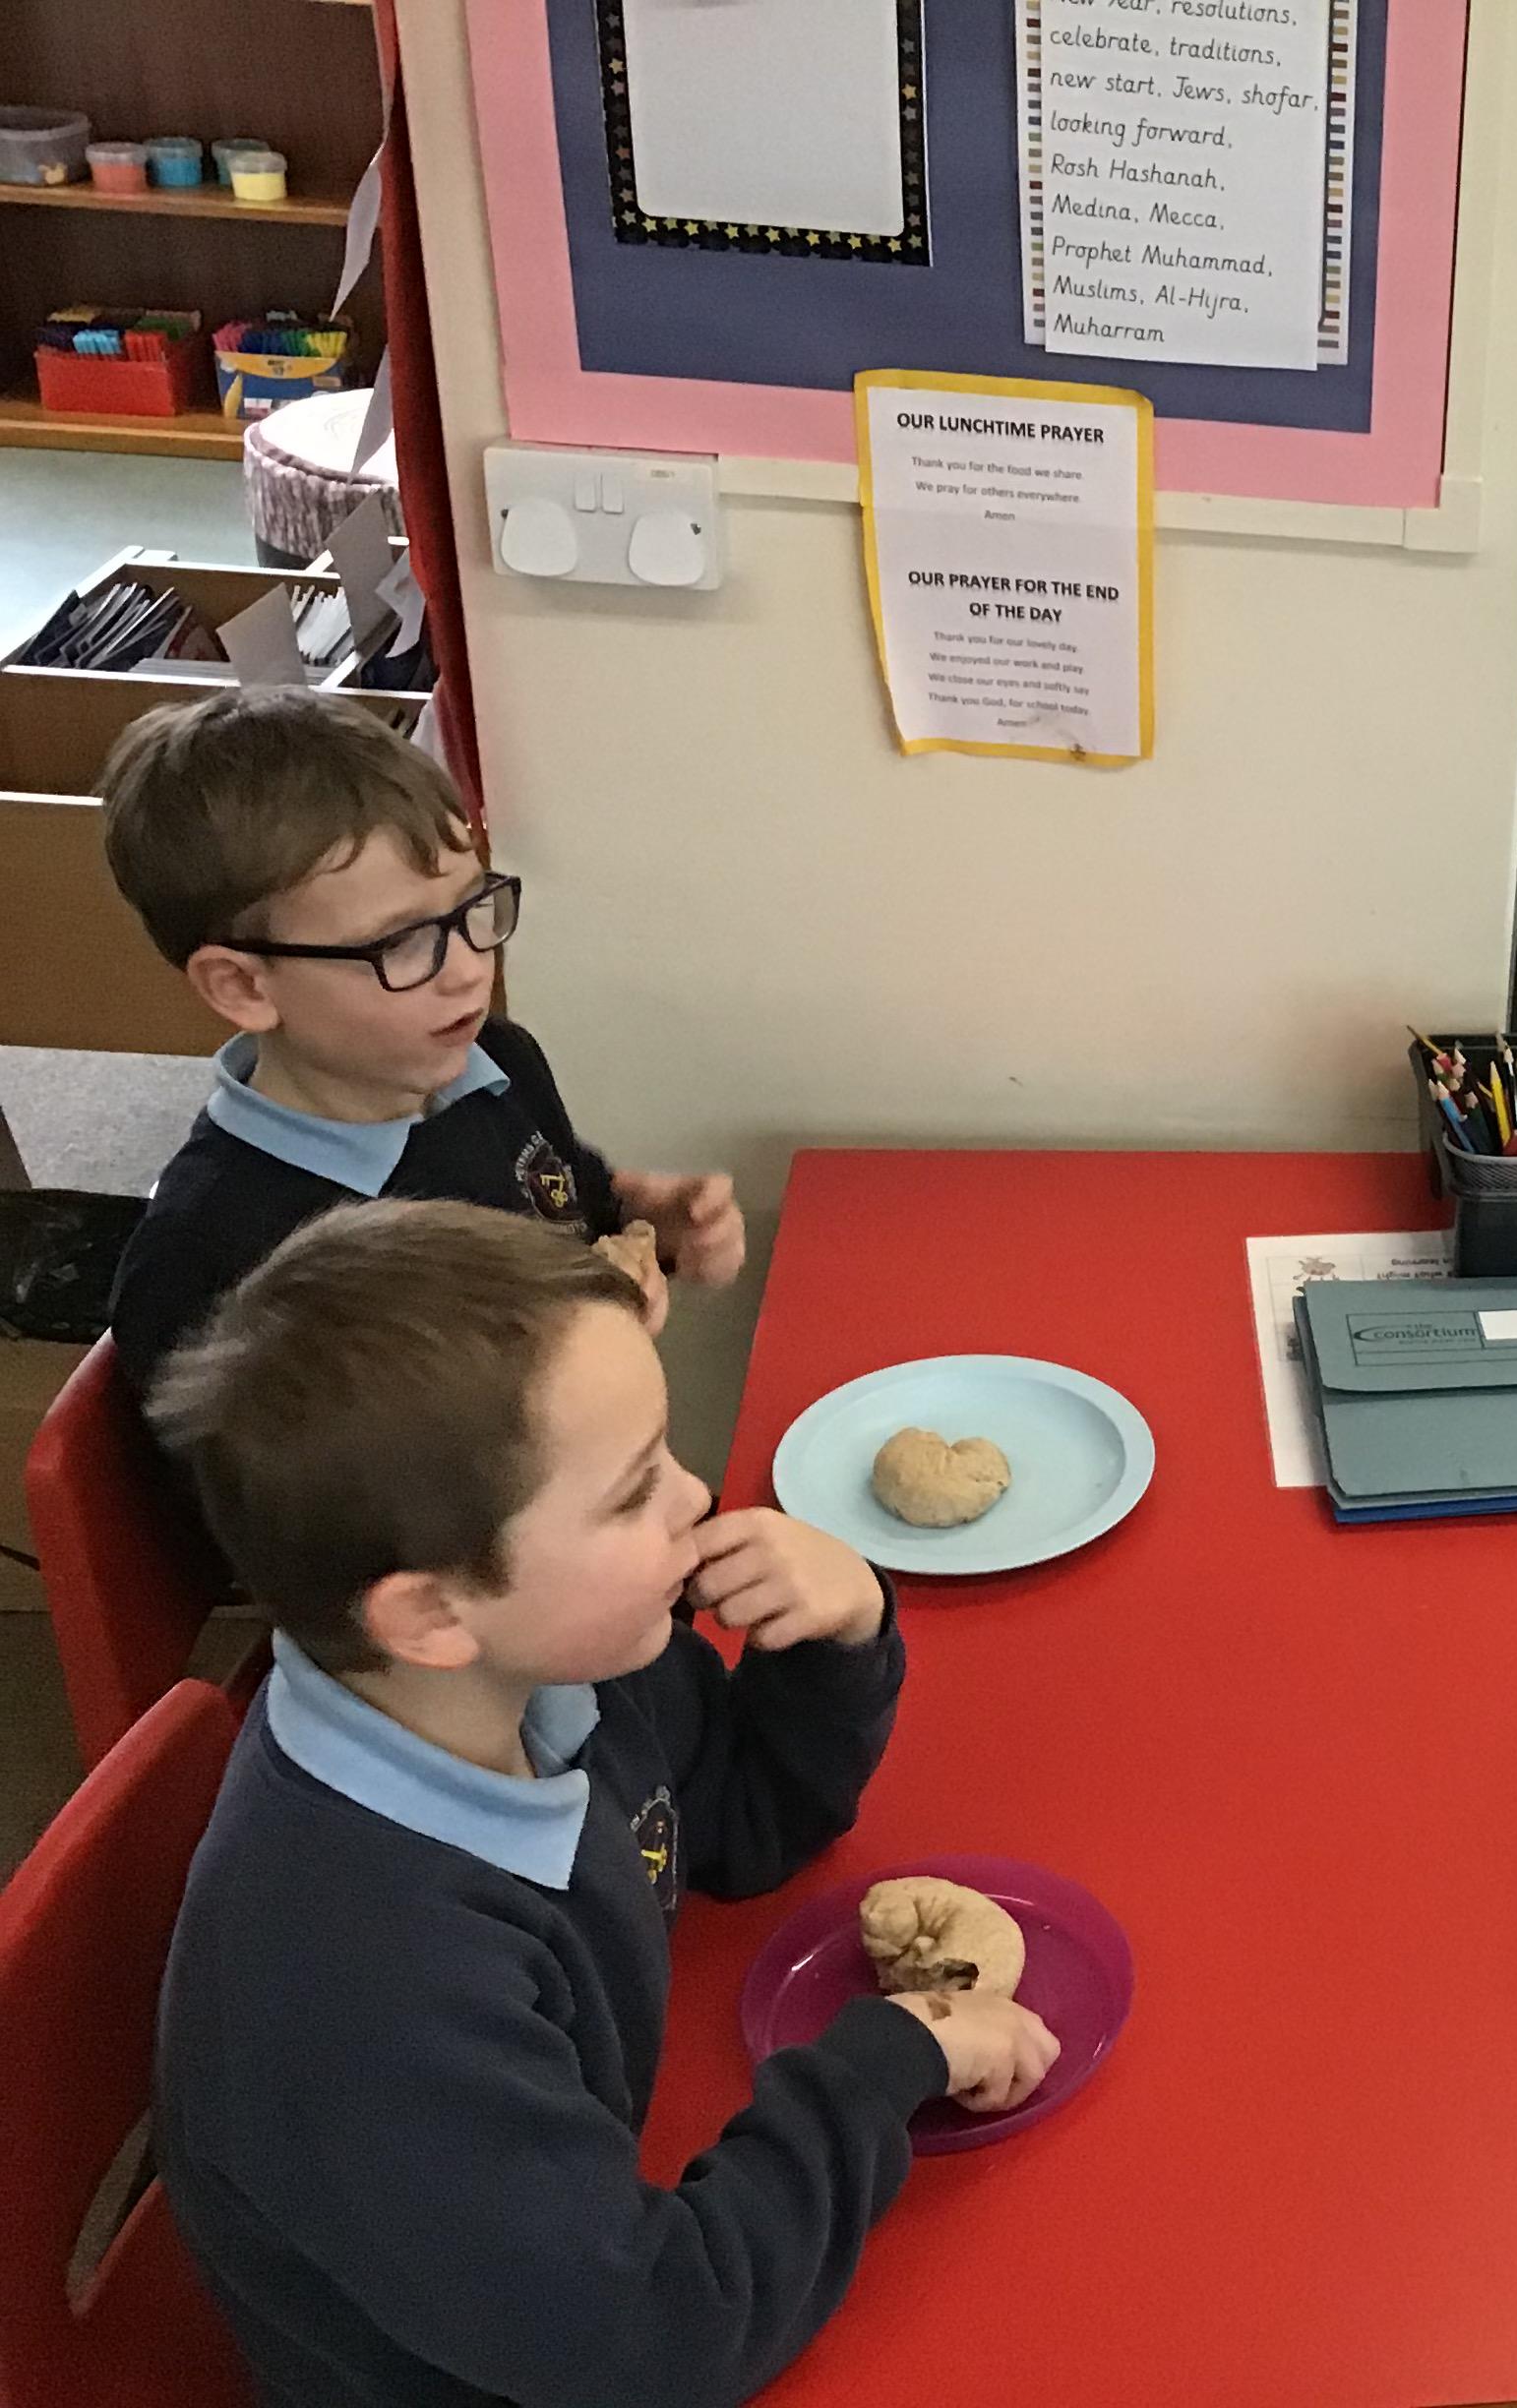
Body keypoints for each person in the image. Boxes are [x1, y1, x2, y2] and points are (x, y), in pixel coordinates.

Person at [150, 1201, 1061, 2407]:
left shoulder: (549, 1674)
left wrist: (834, 1639)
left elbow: (737, 1829)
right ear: (430, 1612)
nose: (696, 1497)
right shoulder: (361, 1985)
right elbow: (658, 2343)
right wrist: (884, 2065)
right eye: (634, 1492)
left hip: (578, 2227)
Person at [97, 687, 745, 1399]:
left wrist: (651, 1221)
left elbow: (575, 1208)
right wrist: (571, 1369)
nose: (469, 969)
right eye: (402, 942)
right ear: (244, 987)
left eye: (471, 907)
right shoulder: (211, 1267)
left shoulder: (495, 1064)